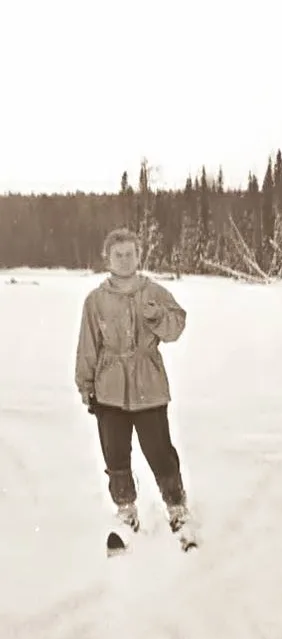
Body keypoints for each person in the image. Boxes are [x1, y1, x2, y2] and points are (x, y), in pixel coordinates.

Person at [75, 227, 193, 537]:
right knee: (115, 453)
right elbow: (87, 346)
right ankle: (126, 509)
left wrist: (157, 317)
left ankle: (176, 506)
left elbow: (175, 329)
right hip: (109, 388)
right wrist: (86, 384)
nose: (125, 260)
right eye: (119, 255)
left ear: (139, 256)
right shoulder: (95, 300)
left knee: (159, 450)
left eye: (130, 254)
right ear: (108, 258)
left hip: (149, 386)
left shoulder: (153, 292)